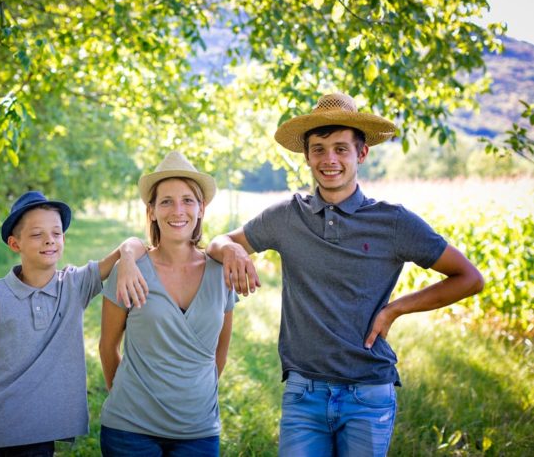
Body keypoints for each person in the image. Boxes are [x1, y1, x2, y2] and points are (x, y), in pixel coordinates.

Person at [206, 92, 485, 456]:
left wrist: (395, 309)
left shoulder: (393, 222)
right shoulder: (287, 216)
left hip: (368, 394)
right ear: (306, 156)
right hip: (303, 393)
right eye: (319, 149)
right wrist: (230, 248)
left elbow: (469, 278)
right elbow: (218, 241)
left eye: (341, 148)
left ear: (361, 153)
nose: (329, 159)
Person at [0, 190, 146, 457]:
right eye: (37, 234)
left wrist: (129, 260)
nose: (49, 241)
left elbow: (131, 244)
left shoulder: (74, 284)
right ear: (15, 244)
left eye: (56, 233)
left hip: (39, 433)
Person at [98, 151, 237, 456]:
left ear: (201, 209)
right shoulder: (129, 269)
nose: (178, 210)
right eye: (166, 201)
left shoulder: (220, 272)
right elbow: (108, 347)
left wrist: (190, 401)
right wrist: (126, 400)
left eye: (188, 200)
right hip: (129, 430)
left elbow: (219, 354)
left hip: (198, 431)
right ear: (151, 212)